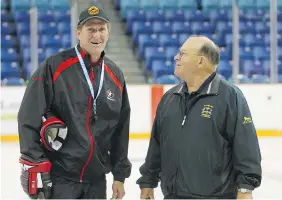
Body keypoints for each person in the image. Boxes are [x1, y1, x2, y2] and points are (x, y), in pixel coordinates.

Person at [18, 5, 132, 199]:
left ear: (108, 32)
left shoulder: (115, 76)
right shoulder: (54, 67)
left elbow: (121, 128)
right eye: (91, 29)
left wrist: (119, 176)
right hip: (60, 179)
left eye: (101, 29)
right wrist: (35, 163)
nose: (97, 35)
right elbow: (28, 116)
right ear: (78, 32)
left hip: (96, 182)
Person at [136, 36, 262, 199]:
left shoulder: (230, 97)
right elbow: (157, 145)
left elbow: (246, 146)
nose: (176, 57)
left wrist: (245, 189)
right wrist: (148, 181)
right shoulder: (170, 97)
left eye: (183, 54)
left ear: (201, 61)